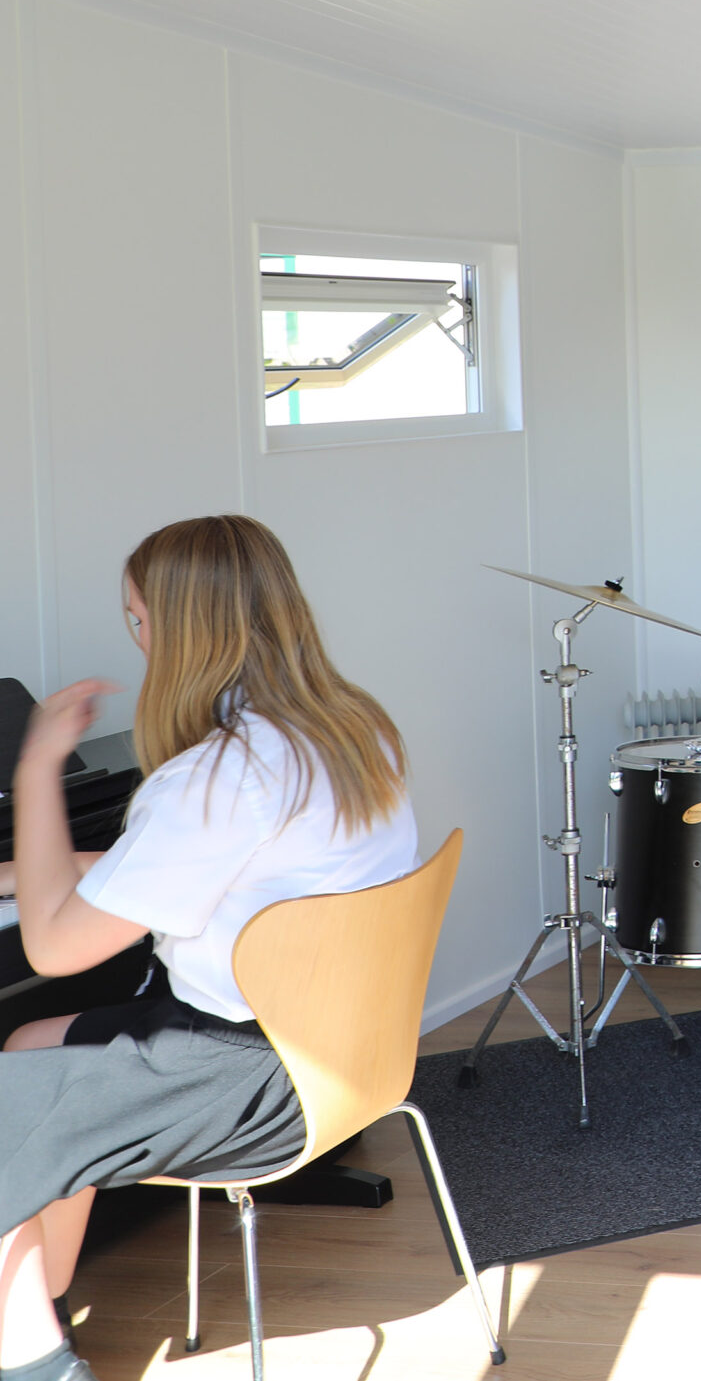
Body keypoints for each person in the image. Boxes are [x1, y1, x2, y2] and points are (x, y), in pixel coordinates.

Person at [0, 516, 420, 1381]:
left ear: (187, 627)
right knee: (28, 1045)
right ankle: (36, 1297)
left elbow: (50, 946)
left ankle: (37, 1364)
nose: (138, 638)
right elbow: (213, 869)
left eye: (139, 619)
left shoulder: (216, 773)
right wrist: (39, 868)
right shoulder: (350, 730)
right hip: (344, 1050)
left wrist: (38, 767)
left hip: (251, 1073)